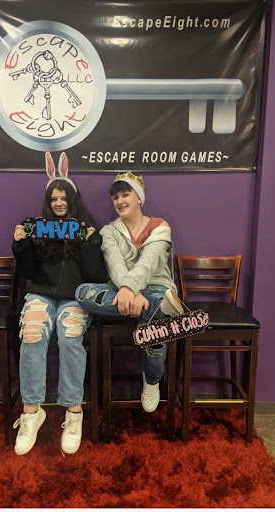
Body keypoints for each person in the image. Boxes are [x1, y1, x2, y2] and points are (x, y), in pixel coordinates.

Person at [12, 152, 107, 456]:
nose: (58, 203)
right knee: (32, 333)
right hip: (41, 293)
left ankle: (74, 411)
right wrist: (22, 246)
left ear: (73, 200)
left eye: (64, 198)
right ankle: (31, 411)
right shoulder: (38, 228)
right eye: (53, 199)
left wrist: (91, 246)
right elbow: (29, 272)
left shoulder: (87, 229)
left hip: (75, 296)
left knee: (70, 337)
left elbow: (96, 277)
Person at [75, 170, 184, 413]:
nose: (120, 201)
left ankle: (152, 380)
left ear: (139, 198)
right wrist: (131, 292)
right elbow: (115, 267)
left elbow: (149, 262)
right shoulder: (108, 231)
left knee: (155, 315)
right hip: (121, 290)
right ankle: (157, 310)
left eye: (125, 194)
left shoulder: (160, 226)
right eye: (116, 197)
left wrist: (131, 290)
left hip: (157, 287)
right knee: (83, 292)